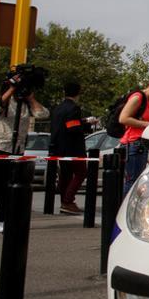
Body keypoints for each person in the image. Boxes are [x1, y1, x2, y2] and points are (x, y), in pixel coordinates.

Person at [0, 72, 49, 232]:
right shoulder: (1, 99)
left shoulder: (26, 103)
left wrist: (30, 98)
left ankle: (4, 218)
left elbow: (43, 114)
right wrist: (11, 89)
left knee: (10, 186)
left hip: (17, 149)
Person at [50, 81, 96, 214]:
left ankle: (64, 201)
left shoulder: (58, 108)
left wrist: (84, 121)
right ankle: (68, 200)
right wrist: (86, 126)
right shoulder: (74, 108)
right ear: (78, 92)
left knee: (65, 175)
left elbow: (66, 125)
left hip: (59, 147)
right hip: (73, 148)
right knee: (81, 172)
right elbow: (72, 127)